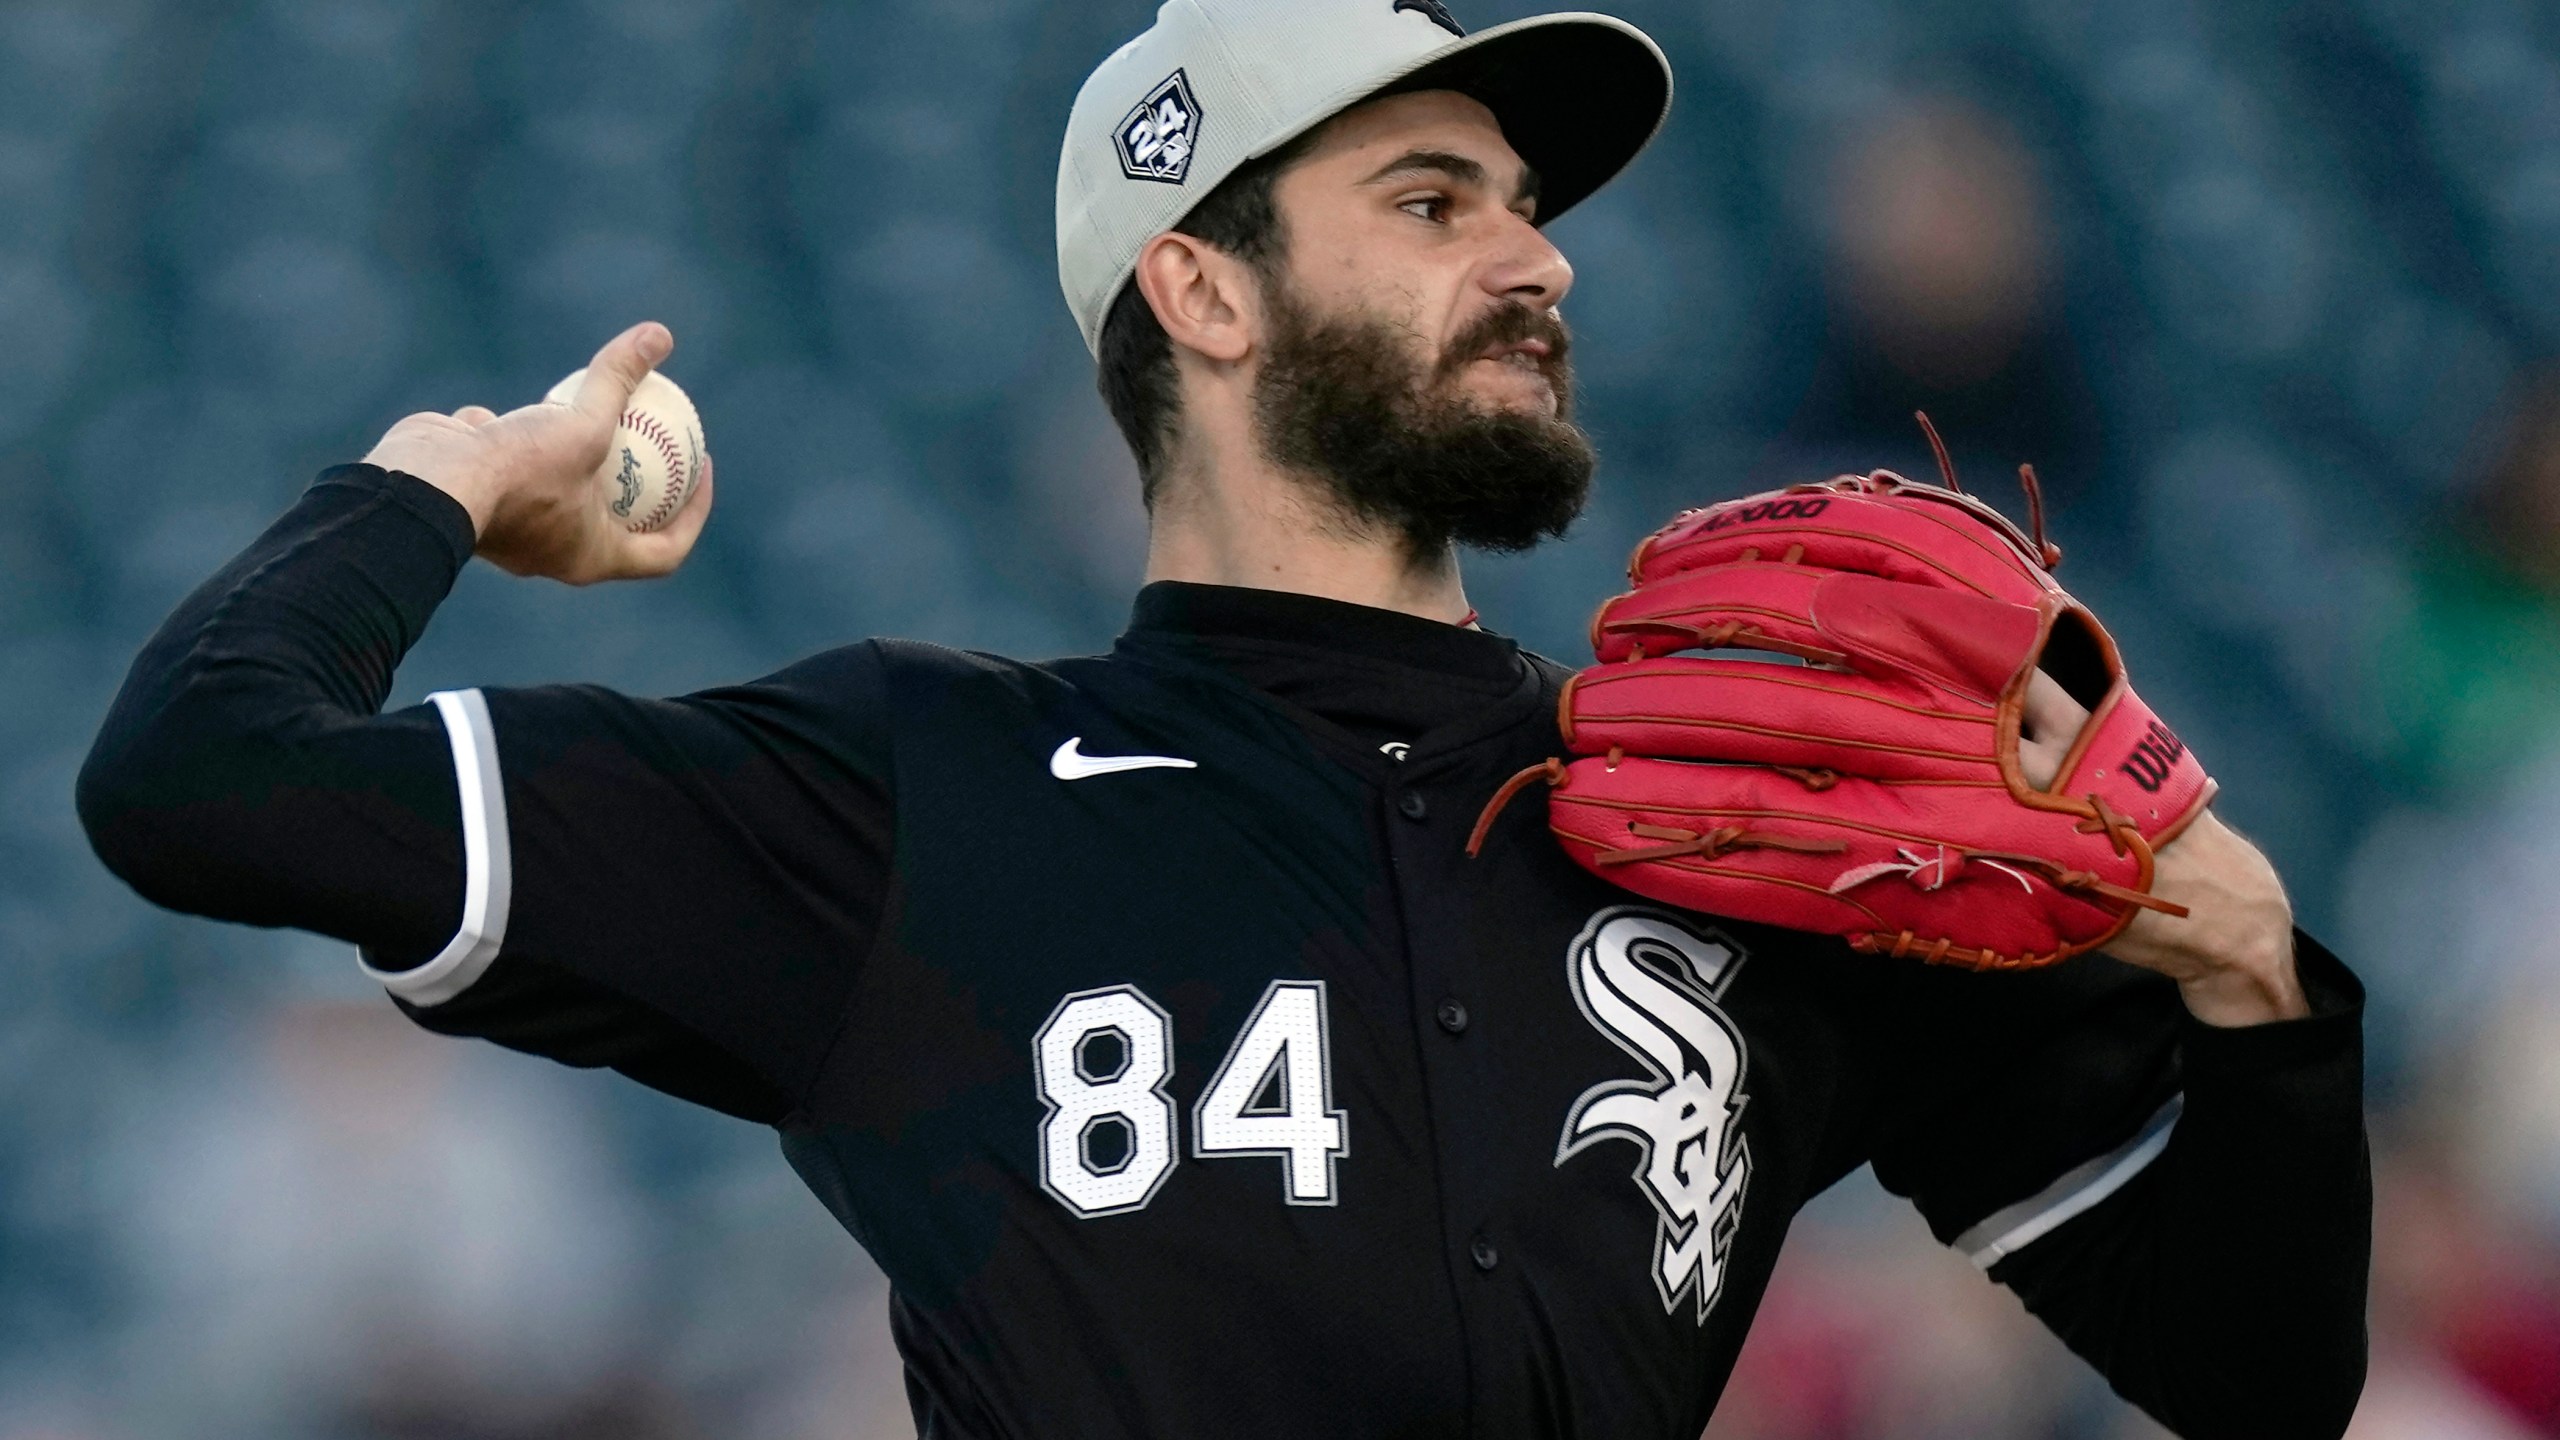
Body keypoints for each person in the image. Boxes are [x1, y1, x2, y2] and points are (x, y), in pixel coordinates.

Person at [77, 1, 2370, 1435]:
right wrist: (441, 480)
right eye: (1428, 196)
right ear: (1199, 286)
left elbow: (2254, 1383)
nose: (1536, 254)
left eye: (1523, 204)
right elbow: (201, 775)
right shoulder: (906, 799)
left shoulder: (1750, 819)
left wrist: (2256, 998)